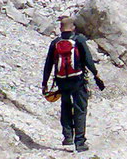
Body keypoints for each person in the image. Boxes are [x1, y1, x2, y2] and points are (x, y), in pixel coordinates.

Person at [41, 16, 105, 152]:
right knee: (80, 108)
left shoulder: (55, 43)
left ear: (60, 28)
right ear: (73, 27)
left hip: (62, 81)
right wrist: (96, 75)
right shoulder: (79, 40)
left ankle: (68, 137)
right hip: (78, 80)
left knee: (65, 106)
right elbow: (88, 59)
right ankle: (80, 142)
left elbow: (48, 64)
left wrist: (44, 83)